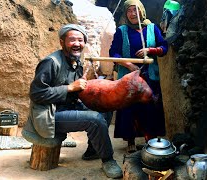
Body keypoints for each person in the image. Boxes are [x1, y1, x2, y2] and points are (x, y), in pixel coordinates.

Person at [24, 24, 122, 179]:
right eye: (72, 40)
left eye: (80, 40)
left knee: (105, 106)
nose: (77, 43)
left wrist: (90, 85)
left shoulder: (76, 60)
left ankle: (93, 151)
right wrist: (69, 88)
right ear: (62, 42)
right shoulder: (51, 62)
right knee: (94, 120)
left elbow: (76, 88)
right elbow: (37, 94)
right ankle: (108, 160)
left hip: (68, 107)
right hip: (49, 115)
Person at [109, 0, 169, 153]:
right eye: (129, 11)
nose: (132, 13)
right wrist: (128, 64)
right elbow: (113, 52)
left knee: (150, 106)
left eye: (135, 10)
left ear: (142, 11)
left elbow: (164, 47)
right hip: (129, 76)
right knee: (129, 107)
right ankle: (130, 140)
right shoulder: (122, 31)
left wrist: (150, 50)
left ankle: (150, 139)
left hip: (150, 76)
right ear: (126, 13)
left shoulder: (152, 28)